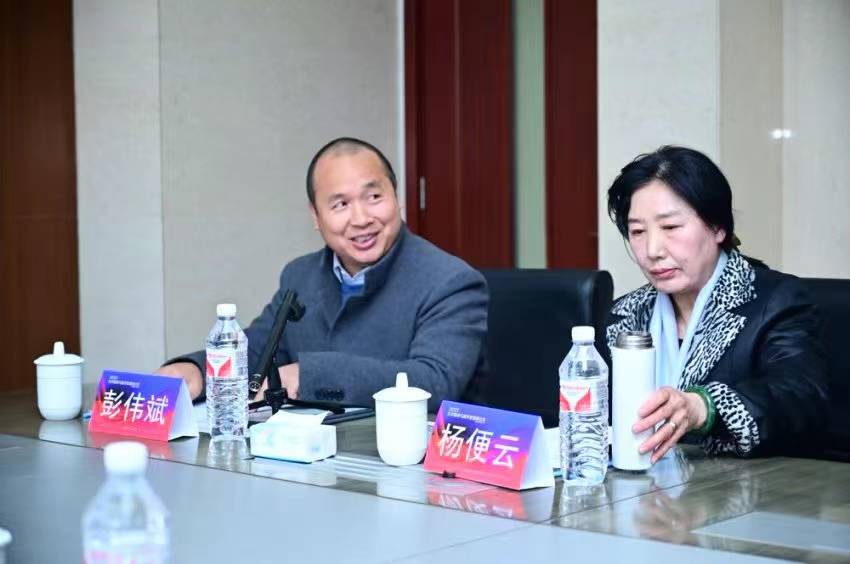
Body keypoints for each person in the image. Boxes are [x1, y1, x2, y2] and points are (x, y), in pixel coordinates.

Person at [157, 137, 488, 412]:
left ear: (396, 197)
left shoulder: (450, 281)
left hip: (411, 460)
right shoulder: (300, 276)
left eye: (374, 197)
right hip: (314, 456)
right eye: (340, 205)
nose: (361, 218)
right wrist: (196, 370)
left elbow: (435, 381)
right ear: (316, 216)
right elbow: (260, 351)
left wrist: (309, 376)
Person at [604, 146, 828, 461]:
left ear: (718, 227)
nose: (653, 250)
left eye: (671, 227)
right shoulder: (624, 315)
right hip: (642, 480)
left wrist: (705, 406)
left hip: (747, 485)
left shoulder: (778, 300)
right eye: (638, 231)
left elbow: (800, 396)